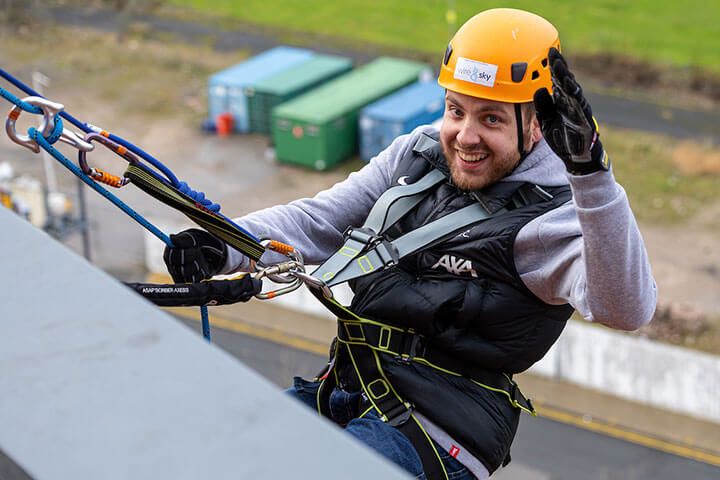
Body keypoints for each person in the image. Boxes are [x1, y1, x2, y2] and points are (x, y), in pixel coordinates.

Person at [164, 8, 657, 480]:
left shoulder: (555, 218)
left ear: (536, 124)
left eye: (492, 120)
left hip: (440, 432)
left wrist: (591, 176)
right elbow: (320, 221)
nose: (465, 136)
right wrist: (222, 244)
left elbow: (627, 308)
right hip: (351, 387)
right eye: (456, 110)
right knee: (221, 454)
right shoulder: (417, 154)